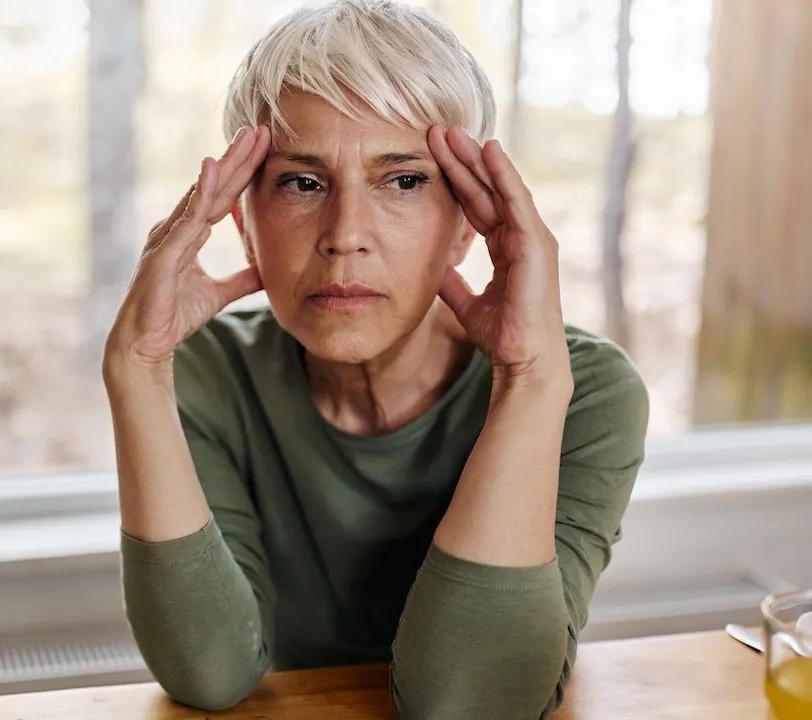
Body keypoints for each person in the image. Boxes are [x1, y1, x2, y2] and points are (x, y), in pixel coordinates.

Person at [101, 1, 649, 717]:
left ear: (467, 223)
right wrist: (135, 370)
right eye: (304, 182)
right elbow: (210, 674)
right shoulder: (203, 375)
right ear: (242, 222)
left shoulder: (584, 390)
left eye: (404, 181)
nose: (345, 235)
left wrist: (531, 381)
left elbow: (472, 704)